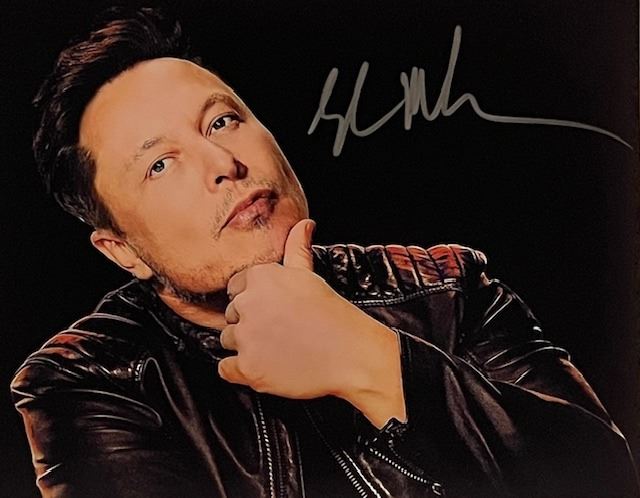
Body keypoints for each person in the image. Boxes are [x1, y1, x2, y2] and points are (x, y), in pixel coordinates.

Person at [11, 7, 639, 498]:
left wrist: (369, 359)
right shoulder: (92, 381)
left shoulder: (447, 287)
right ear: (122, 250)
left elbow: (605, 478)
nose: (223, 163)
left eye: (222, 122)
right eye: (160, 163)